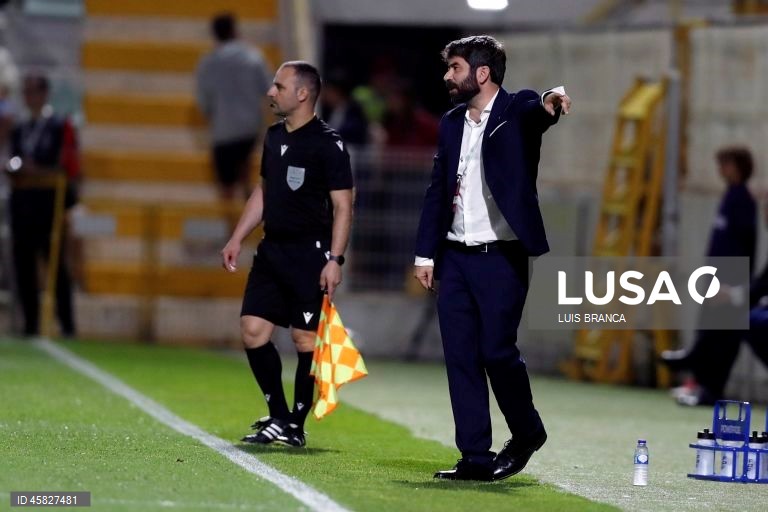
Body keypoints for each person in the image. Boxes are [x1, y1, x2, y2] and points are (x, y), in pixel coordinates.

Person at [413, 35, 570, 481]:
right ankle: (475, 459)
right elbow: (436, 191)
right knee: (461, 355)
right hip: (455, 257)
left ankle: (526, 432)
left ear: (482, 73)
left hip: (502, 256)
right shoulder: (449, 123)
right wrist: (426, 254)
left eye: (456, 67)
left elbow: (539, 110)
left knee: (496, 352)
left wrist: (551, 100)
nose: (447, 76)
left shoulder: (516, 109)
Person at [221, 61, 354, 447]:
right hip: (272, 250)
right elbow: (264, 191)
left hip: (310, 254)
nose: (270, 92)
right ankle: (279, 415)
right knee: (253, 330)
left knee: (304, 341)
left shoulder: (328, 144)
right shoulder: (273, 136)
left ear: (302, 94)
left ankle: (294, 424)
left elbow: (344, 206)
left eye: (278, 86)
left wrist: (335, 259)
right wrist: (237, 237)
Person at [661, 146, 757, 406]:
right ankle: (698, 383)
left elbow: (743, 247)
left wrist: (733, 285)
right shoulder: (729, 197)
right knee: (709, 330)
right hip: (715, 278)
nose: (721, 170)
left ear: (738, 167)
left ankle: (709, 389)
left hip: (730, 283)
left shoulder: (743, 201)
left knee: (723, 340)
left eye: (725, 164)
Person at [7, 72, 80, 337]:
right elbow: (13, 160)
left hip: (49, 202)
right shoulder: (20, 128)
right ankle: (30, 325)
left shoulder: (59, 125)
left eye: (33, 91)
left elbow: (67, 165)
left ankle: (67, 324)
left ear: (44, 94)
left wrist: (38, 170)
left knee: (55, 265)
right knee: (24, 264)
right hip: (23, 202)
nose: (29, 97)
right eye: (25, 92)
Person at [196, 12, 270, 202]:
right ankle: (250, 215)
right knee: (246, 173)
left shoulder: (208, 63)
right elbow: (269, 89)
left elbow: (204, 102)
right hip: (249, 127)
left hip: (223, 130)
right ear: (235, 31)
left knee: (226, 185)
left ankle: (230, 225)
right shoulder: (253, 57)